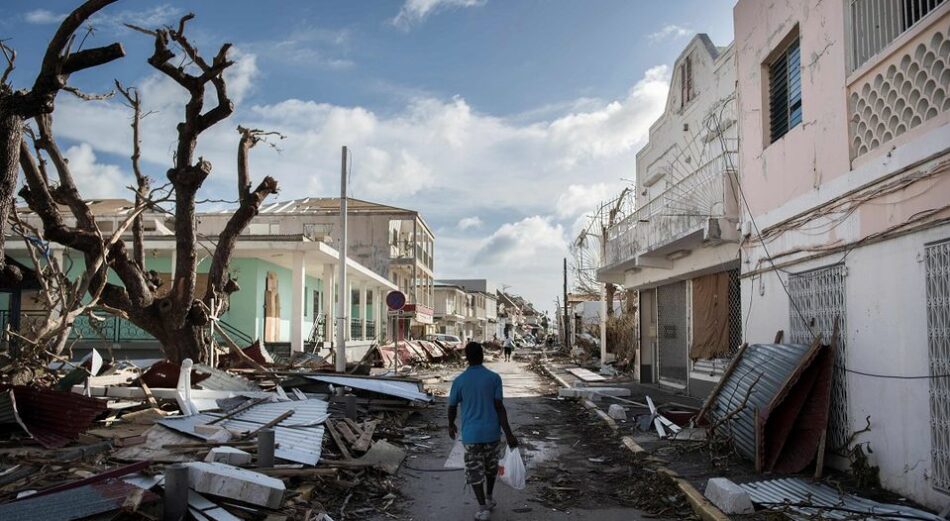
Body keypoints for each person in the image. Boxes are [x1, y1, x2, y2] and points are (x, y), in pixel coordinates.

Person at [448, 342, 519, 521]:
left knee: (474, 471)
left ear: (467, 358)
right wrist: (509, 434)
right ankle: (489, 497)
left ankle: (482, 507)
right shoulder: (494, 378)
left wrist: (451, 424)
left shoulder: (459, 380)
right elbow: (499, 407)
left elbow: (452, 406)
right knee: (491, 468)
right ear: (481, 356)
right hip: (492, 434)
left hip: (471, 436)